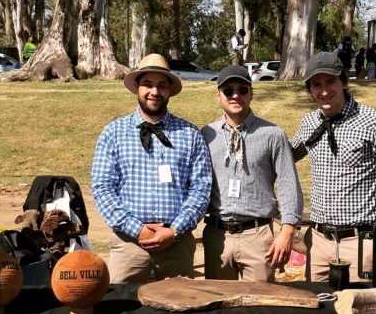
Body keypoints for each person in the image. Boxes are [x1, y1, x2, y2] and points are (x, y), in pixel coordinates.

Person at [91, 53, 212, 283]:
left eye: (161, 86)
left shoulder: (190, 134)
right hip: (129, 244)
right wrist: (137, 229)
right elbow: (103, 188)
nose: (154, 92)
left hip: (176, 243)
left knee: (178, 312)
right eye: (148, 84)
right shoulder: (113, 133)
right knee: (124, 310)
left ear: (169, 91)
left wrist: (174, 230)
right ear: (137, 87)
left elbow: (200, 189)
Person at [291, 52, 376, 283]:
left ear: (343, 81)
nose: (324, 91)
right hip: (318, 242)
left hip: (360, 243)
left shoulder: (374, 121)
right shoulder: (309, 122)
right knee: (317, 312)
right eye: (316, 85)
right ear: (309, 90)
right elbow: (283, 157)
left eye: (330, 81)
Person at [201, 65, 303, 281]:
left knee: (261, 306)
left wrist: (287, 232)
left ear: (251, 93)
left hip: (257, 235)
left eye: (242, 89)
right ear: (218, 95)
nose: (236, 95)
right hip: (218, 235)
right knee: (217, 305)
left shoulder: (272, 134)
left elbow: (288, 184)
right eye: (228, 90)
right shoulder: (206, 135)